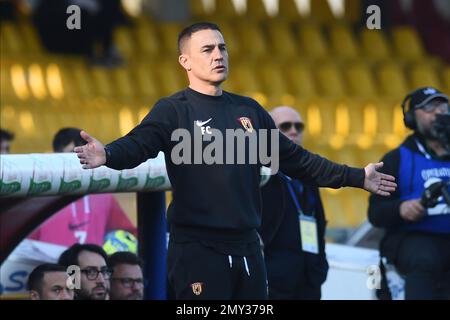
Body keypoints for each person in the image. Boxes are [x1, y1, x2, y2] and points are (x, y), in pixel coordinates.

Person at [74, 22, 396, 299]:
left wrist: (357, 177)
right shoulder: (174, 110)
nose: (218, 55)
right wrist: (108, 154)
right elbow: (139, 144)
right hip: (198, 250)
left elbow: (296, 161)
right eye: (207, 49)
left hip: (248, 249)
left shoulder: (249, 111)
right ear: (185, 61)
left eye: (222, 48)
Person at [368, 87, 450, 300]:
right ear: (411, 117)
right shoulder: (396, 159)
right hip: (414, 242)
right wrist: (400, 209)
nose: (439, 113)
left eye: (443, 107)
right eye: (430, 108)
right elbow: (375, 212)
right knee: (425, 256)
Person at [259, 106, 328, 300]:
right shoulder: (259, 174)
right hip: (273, 285)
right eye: (285, 126)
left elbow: (320, 222)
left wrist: (320, 266)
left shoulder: (308, 174)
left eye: (299, 126)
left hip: (309, 282)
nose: (294, 131)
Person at [28, 127, 137, 247]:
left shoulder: (102, 196)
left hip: (93, 265)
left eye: (84, 154)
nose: (79, 160)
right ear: (56, 156)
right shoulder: (40, 197)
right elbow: (23, 245)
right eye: (73, 154)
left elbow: (128, 235)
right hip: (52, 265)